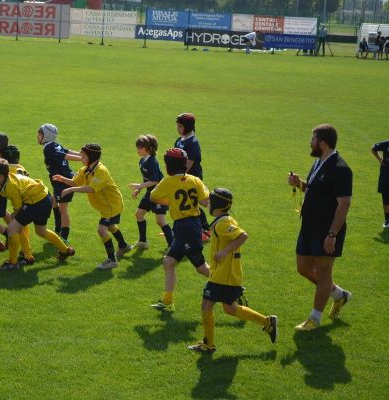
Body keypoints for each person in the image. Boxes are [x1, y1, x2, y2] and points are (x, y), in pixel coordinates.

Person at [188, 188, 277, 353]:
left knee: (206, 305)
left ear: (218, 205)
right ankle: (267, 322)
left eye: (211, 200)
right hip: (223, 274)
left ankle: (208, 345)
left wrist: (224, 252)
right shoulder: (223, 220)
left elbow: (243, 236)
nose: (209, 203)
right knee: (230, 309)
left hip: (224, 276)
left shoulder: (223, 222)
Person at [287, 124, 353, 331]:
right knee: (303, 268)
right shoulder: (319, 162)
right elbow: (317, 189)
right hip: (309, 226)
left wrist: (332, 234)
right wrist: (300, 183)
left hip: (326, 230)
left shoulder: (340, 169)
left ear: (322, 143)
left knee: (323, 272)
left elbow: (344, 204)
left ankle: (314, 319)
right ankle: (338, 295)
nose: (310, 142)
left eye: (313, 139)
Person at [0, 158, 75, 270]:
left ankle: (12, 262)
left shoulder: (11, 186)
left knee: (11, 229)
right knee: (41, 231)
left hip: (36, 202)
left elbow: (18, 208)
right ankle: (65, 250)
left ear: (0, 176)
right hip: (44, 198)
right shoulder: (5, 178)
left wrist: (13, 217)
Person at [149, 148, 210, 312]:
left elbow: (153, 197)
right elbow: (205, 201)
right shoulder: (195, 180)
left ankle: (231, 287)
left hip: (185, 228)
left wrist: (171, 202)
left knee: (201, 267)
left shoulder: (167, 182)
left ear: (168, 165)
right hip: (192, 225)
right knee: (168, 262)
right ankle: (167, 302)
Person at [53, 143, 131, 269]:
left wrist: (71, 190)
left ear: (91, 157)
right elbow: (74, 181)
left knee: (102, 229)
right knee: (110, 226)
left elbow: (91, 188)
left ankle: (112, 260)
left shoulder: (101, 171)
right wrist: (62, 179)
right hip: (106, 206)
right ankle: (123, 245)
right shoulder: (86, 169)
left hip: (112, 205)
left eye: (83, 156)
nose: (80, 158)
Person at [37, 123, 82, 242]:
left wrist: (84, 158)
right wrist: (82, 154)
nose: (38, 135)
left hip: (63, 181)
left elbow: (65, 155)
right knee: (54, 202)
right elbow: (67, 151)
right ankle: (57, 229)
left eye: (40, 133)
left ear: (46, 135)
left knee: (63, 209)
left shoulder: (48, 148)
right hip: (59, 180)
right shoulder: (54, 144)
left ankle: (64, 237)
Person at [128, 134, 173, 249]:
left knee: (160, 221)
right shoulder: (142, 161)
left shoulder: (152, 162)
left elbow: (155, 180)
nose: (137, 150)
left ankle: (173, 246)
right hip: (150, 193)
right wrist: (139, 190)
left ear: (148, 149)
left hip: (160, 194)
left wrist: (139, 185)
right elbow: (146, 178)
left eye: (140, 148)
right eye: (137, 147)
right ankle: (143, 242)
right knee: (139, 214)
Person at [175, 113, 210, 242]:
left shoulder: (193, 143)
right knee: (191, 204)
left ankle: (205, 230)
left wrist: (175, 177)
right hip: (182, 177)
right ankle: (202, 230)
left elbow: (188, 165)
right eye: (177, 125)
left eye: (180, 126)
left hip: (192, 178)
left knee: (194, 204)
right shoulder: (179, 140)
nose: (177, 128)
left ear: (188, 127)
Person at [371, 138, 389, 228]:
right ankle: (387, 220)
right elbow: (373, 148)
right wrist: (380, 159)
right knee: (385, 198)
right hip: (386, 175)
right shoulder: (386, 144)